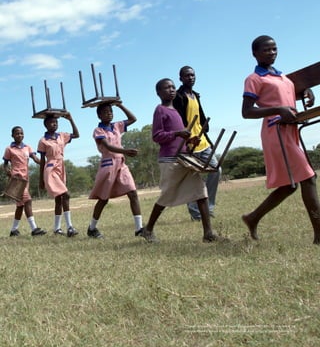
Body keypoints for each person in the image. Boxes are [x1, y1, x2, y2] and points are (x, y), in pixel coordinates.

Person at [241, 35, 320, 244]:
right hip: (275, 131)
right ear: (255, 53)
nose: (272, 53)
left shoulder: (282, 76)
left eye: (274, 49)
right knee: (308, 178)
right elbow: (247, 112)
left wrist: (306, 91)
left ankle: (252, 217)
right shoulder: (254, 79)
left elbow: (288, 93)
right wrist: (278, 110)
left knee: (291, 185)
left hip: (291, 129)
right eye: (266, 50)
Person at [142, 78, 226, 243]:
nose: (171, 90)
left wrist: (190, 140)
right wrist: (177, 134)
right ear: (158, 93)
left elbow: (180, 137)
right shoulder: (160, 110)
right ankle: (148, 229)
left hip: (185, 158)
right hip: (170, 160)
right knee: (166, 196)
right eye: (167, 88)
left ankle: (208, 233)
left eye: (173, 87)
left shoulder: (176, 112)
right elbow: (157, 136)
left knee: (201, 193)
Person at [87, 101, 146, 239]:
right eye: (106, 111)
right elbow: (107, 146)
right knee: (103, 199)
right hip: (108, 165)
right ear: (99, 115)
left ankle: (139, 228)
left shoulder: (116, 126)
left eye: (111, 111)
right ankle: (92, 228)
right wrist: (125, 150)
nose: (109, 113)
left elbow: (133, 119)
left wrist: (120, 105)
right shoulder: (98, 131)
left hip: (121, 164)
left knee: (132, 192)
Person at [173, 66, 220, 221]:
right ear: (181, 78)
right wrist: (184, 139)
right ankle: (196, 213)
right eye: (187, 76)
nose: (190, 78)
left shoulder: (195, 95)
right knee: (192, 178)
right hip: (188, 143)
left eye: (192, 75)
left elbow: (200, 117)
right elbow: (178, 121)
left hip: (202, 141)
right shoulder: (178, 97)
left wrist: (206, 132)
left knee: (216, 170)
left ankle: (209, 207)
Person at [38, 112, 79, 237]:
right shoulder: (43, 140)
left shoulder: (62, 136)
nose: (54, 124)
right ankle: (70, 227)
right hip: (50, 169)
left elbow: (76, 134)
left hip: (61, 167)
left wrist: (71, 119)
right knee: (66, 195)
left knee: (59, 199)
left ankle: (57, 228)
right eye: (51, 122)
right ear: (45, 125)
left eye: (55, 122)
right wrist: (41, 179)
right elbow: (42, 160)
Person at [3, 126, 47, 237]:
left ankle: (14, 230)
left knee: (20, 206)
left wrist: (46, 164)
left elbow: (35, 159)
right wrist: (8, 172)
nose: (20, 135)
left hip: (26, 180)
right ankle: (34, 229)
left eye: (21, 133)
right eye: (17, 133)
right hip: (17, 180)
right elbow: (5, 164)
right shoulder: (9, 149)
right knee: (27, 200)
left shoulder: (27, 147)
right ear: (12, 135)